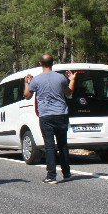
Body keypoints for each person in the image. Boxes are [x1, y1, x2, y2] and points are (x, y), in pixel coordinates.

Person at [23, 54, 77, 184]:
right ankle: (67, 173)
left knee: (49, 146)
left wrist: (26, 83)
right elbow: (69, 93)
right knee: (63, 144)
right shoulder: (61, 78)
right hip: (61, 114)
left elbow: (27, 96)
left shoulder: (36, 80)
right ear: (52, 63)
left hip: (46, 116)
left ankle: (51, 176)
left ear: (40, 63)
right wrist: (73, 79)